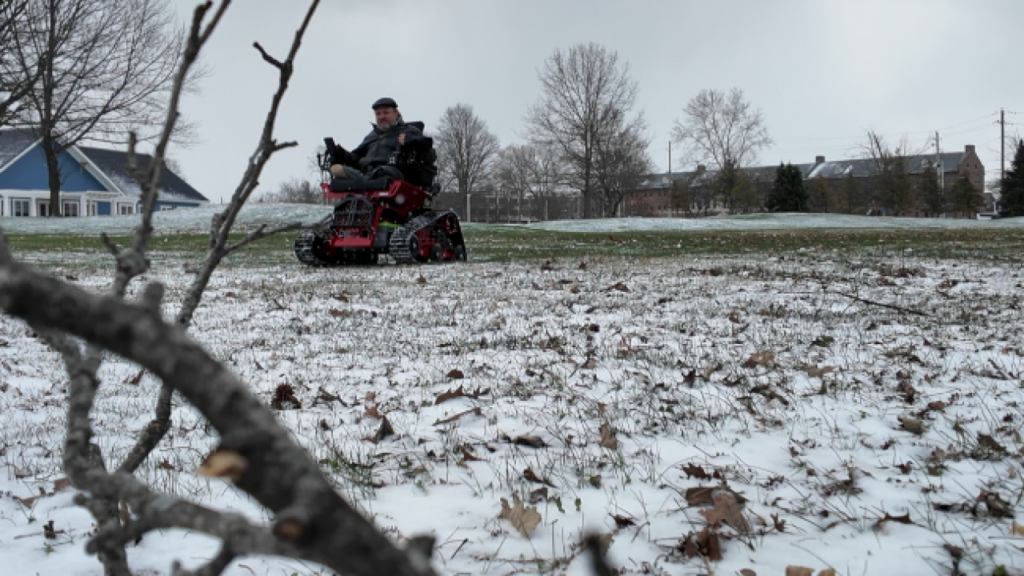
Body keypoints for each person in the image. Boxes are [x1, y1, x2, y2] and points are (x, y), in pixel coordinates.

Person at [329, 97, 435, 187]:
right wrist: (339, 153)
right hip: (365, 173)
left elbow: (427, 147)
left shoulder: (408, 131)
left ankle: (368, 179)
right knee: (336, 169)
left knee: (380, 172)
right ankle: (364, 181)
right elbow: (355, 157)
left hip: (393, 171)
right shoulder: (371, 136)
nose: (381, 117)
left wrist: (410, 142)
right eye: (378, 114)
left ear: (396, 114)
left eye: (386, 113)